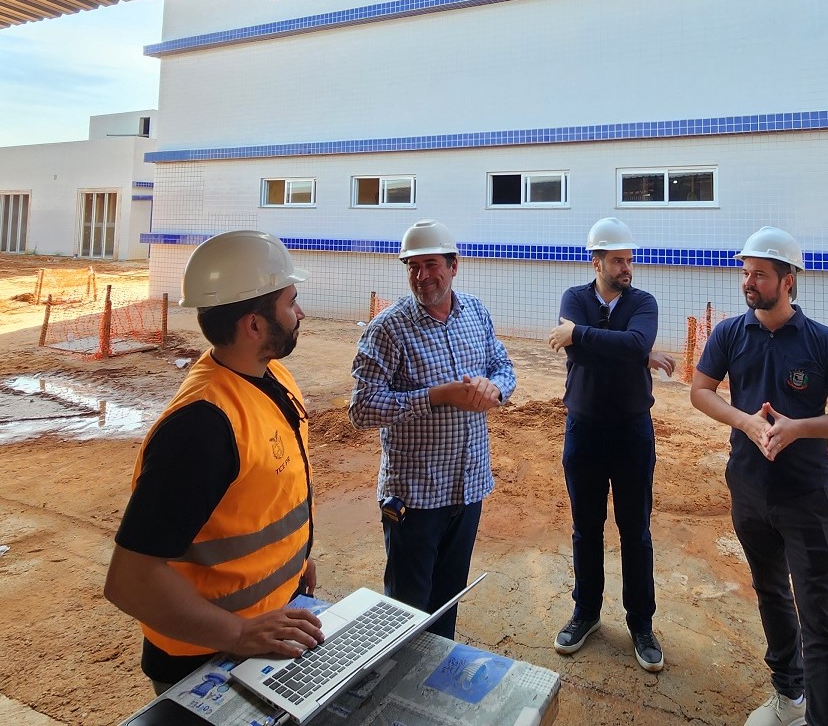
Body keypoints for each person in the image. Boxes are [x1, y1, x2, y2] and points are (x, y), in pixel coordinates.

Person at [105, 230, 323, 693]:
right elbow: (130, 581)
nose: (300, 313)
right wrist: (239, 634)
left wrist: (296, 559)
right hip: (206, 658)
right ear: (254, 325)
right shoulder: (201, 427)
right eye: (291, 302)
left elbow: (262, 495)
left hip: (270, 624)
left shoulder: (271, 376)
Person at [691, 226, 828, 726]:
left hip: (806, 498)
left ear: (788, 281)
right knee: (771, 593)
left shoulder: (821, 342)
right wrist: (745, 422)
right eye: (745, 272)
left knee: (819, 620)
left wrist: (799, 428)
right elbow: (701, 391)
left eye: (760, 275)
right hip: (749, 490)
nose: (748, 283)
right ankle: (790, 696)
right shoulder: (731, 333)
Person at [349, 219, 516, 639]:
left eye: (431, 265)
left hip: (468, 487)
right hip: (416, 497)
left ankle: (436, 672)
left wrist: (495, 387)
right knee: (406, 611)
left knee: (446, 602)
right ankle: (400, 676)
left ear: (453, 266)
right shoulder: (388, 329)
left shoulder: (475, 312)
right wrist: (436, 396)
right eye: (413, 267)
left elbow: (503, 365)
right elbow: (361, 410)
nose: (422, 276)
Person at [546, 217, 675, 672]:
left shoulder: (643, 302)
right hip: (583, 431)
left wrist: (581, 334)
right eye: (618, 260)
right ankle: (586, 613)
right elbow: (585, 356)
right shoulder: (574, 298)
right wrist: (631, 353)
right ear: (596, 261)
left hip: (632, 432)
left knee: (635, 531)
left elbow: (635, 342)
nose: (627, 268)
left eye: (629, 259)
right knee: (586, 528)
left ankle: (641, 624)